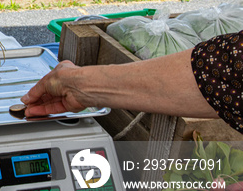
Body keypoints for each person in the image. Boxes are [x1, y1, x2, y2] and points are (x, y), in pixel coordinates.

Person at [21, 31, 243, 133]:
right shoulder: (223, 71)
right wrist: (80, 85)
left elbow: (224, 75)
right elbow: (223, 76)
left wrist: (80, 85)